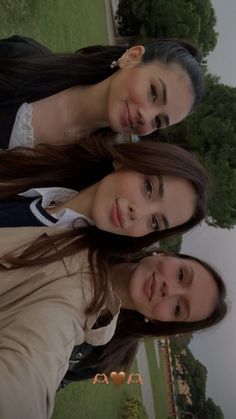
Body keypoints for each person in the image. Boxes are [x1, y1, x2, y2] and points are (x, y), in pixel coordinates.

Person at [0, 226, 227, 418]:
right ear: (165, 255)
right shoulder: (87, 234)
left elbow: (48, 382)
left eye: (178, 308)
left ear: (162, 322)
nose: (170, 290)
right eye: (181, 275)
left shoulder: (111, 355)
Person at [0, 137, 209, 251]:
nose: (138, 213)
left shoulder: (68, 269)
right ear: (125, 161)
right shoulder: (41, 164)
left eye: (154, 222)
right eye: (149, 188)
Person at [0, 34, 204, 149]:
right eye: (153, 93)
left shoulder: (86, 170)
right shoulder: (23, 57)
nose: (146, 116)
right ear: (132, 57)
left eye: (158, 122)